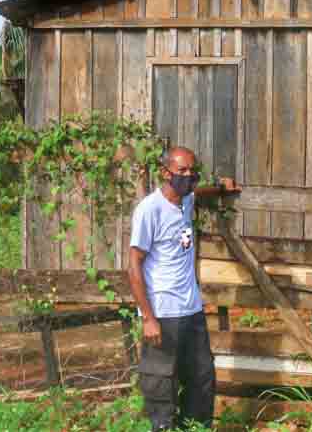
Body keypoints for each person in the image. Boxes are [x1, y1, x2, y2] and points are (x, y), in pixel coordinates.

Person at [128, 146, 239, 431]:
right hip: (163, 311)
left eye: (192, 170)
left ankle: (196, 427)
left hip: (191, 308)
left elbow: (197, 192)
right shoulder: (149, 210)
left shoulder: (187, 199)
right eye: (182, 171)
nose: (188, 176)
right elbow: (134, 265)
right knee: (161, 380)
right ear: (165, 173)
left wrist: (220, 188)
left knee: (202, 376)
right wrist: (148, 318)